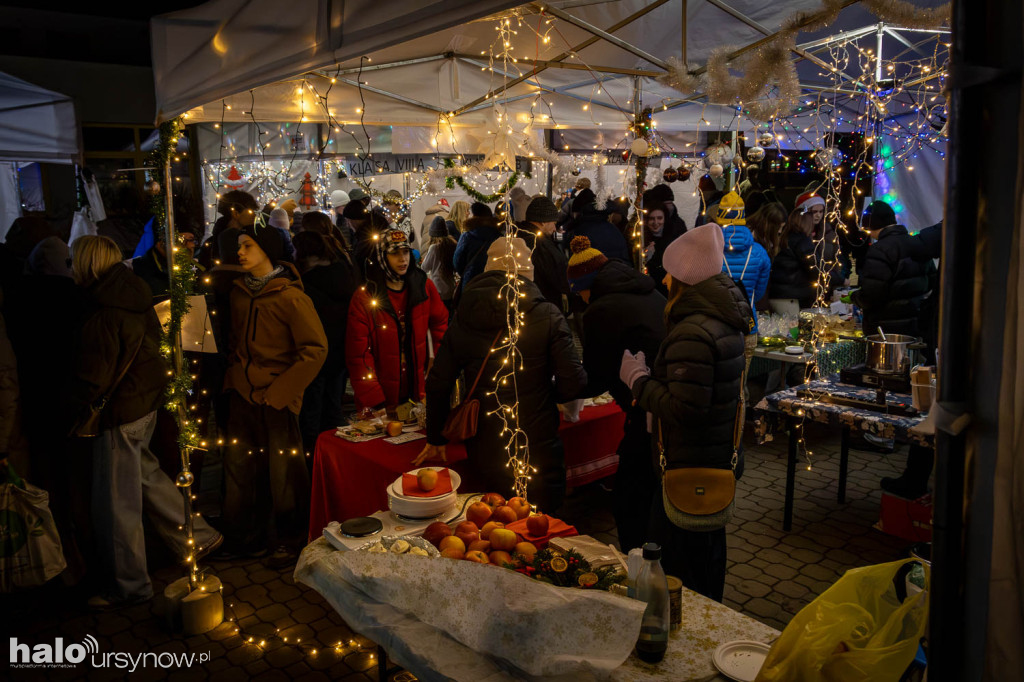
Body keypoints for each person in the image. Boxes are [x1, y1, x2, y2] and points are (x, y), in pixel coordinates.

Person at [67, 236, 222, 608]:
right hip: (144, 405)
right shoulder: (134, 293)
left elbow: (93, 376)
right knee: (148, 477)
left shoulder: (104, 308)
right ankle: (199, 536)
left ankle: (130, 585)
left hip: (121, 412)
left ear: (86, 263)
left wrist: (72, 403)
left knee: (118, 504)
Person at [619, 223, 752, 602]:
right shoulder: (722, 317)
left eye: (670, 272)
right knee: (707, 559)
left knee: (680, 569)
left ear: (685, 278)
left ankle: (682, 626)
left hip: (689, 462)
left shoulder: (693, 331)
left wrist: (638, 380)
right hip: (711, 456)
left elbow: (685, 409)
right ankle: (708, 620)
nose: (663, 280)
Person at [417, 236, 586, 512]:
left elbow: (438, 381)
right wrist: (546, 397)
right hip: (537, 440)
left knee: (496, 522)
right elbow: (575, 381)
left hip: (486, 442)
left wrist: (436, 437)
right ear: (527, 273)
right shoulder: (548, 314)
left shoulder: (466, 313)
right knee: (543, 523)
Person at [221, 224, 327, 566]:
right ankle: (244, 538)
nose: (240, 252)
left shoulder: (291, 298)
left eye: (247, 246)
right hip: (242, 394)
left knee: (284, 473)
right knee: (239, 469)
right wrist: (236, 377)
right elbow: (235, 339)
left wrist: (281, 392)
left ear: (267, 250)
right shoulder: (238, 293)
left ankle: (291, 539)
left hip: (277, 398)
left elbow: (315, 350)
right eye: (240, 246)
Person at [566, 236, 665, 552]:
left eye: (578, 291)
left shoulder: (601, 310)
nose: (580, 298)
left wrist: (560, 386)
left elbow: (595, 377)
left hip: (645, 406)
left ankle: (638, 562)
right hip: (666, 398)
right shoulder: (648, 290)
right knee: (652, 489)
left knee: (630, 497)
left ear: (586, 285)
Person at [346, 228, 448, 412]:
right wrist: (374, 399)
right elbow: (358, 354)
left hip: (418, 392)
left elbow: (440, 325)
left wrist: (438, 368)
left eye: (406, 252)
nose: (403, 259)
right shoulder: (365, 297)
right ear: (382, 257)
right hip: (381, 398)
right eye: (395, 253)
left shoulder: (423, 286)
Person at [292, 231, 359, 456]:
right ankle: (337, 454)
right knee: (333, 405)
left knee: (312, 409)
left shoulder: (306, 283)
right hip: (339, 349)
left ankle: (313, 457)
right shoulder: (343, 272)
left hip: (317, 352)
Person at [717, 192, 770, 424]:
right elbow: (759, 292)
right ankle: (738, 436)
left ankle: (721, 432)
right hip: (747, 327)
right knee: (740, 385)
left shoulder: (712, 250)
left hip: (718, 328)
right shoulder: (759, 253)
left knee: (719, 387)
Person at [852, 200, 937, 340]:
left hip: (885, 331)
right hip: (916, 325)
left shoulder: (879, 250)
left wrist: (854, 297)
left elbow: (872, 294)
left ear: (872, 226)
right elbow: (932, 281)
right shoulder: (918, 243)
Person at [517, 196, 573, 314]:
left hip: (525, 303)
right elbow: (558, 274)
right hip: (544, 305)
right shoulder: (540, 244)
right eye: (553, 223)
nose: (554, 228)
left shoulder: (518, 236)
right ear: (543, 222)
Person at [768, 206, 819, 312]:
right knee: (793, 323)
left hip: (776, 294)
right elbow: (815, 268)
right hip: (790, 296)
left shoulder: (784, 238)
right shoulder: (802, 241)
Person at [564, 188, 631, 263]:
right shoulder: (613, 230)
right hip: (618, 269)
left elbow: (577, 264)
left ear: (578, 212)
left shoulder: (579, 232)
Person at [197, 190, 259, 270]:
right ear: (236, 214)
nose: (254, 215)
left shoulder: (211, 241)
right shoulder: (237, 240)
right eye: (251, 210)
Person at [131, 228, 199, 299]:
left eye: (192, 240)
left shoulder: (196, 270)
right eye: (182, 241)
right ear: (161, 245)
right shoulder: (139, 270)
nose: (190, 246)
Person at [641, 203, 686, 297]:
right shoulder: (641, 240)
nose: (656, 222)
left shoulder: (673, 238)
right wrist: (646, 258)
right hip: (650, 290)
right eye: (652, 219)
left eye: (659, 218)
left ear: (665, 219)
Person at [452, 202, 500, 287]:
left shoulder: (467, 236)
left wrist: (466, 272)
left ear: (474, 216)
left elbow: (457, 261)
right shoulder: (499, 236)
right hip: (495, 281)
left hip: (471, 280)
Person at [420, 217, 459, 313]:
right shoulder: (453, 245)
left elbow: (424, 268)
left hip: (438, 290)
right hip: (451, 288)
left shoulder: (434, 248)